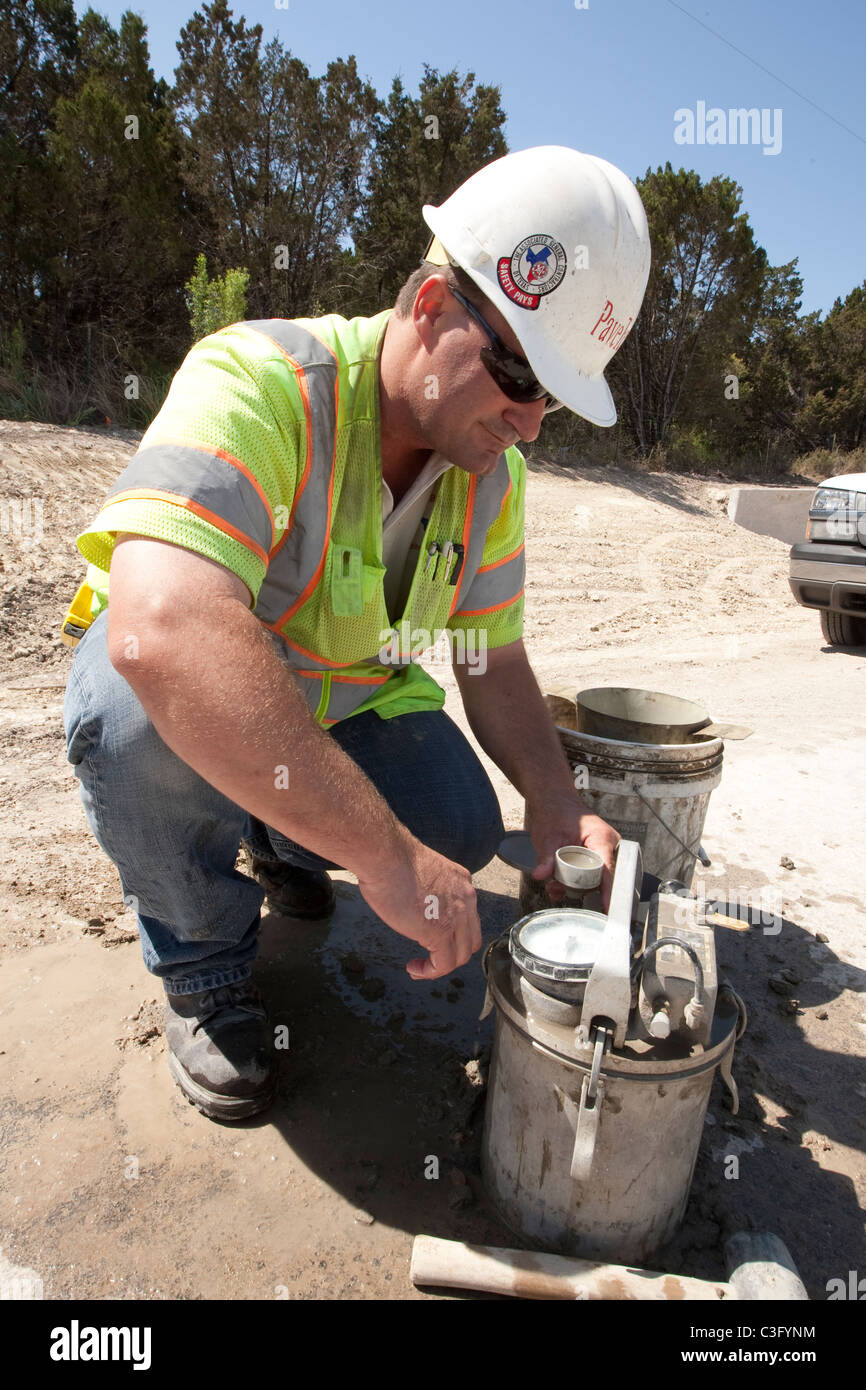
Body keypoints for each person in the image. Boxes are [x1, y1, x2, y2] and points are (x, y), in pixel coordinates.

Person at [62, 144, 651, 1121]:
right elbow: (162, 630)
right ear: (428, 309)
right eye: (515, 371)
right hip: (181, 689)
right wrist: (381, 855)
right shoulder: (260, 379)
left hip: (333, 704)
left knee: (461, 826)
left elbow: (490, 656)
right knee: (136, 723)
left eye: (551, 395)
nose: (529, 419)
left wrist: (552, 802)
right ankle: (204, 972)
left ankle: (285, 841)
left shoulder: (488, 474)